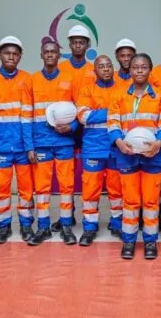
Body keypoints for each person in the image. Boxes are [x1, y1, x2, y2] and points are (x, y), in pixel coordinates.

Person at [108, 53, 161, 260]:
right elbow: (113, 122)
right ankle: (129, 240)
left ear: (150, 70)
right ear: (130, 70)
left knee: (151, 201)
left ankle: (150, 241)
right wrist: (119, 142)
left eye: (144, 67)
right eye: (135, 67)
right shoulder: (118, 94)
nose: (139, 70)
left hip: (153, 155)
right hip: (126, 155)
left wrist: (158, 143)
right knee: (130, 200)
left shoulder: (160, 95)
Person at [0, 36, 35, 244]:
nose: (11, 57)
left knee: (26, 189)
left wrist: (29, 144)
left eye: (15, 54)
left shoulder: (28, 79)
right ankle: (4, 227)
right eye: (7, 53)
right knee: (1, 189)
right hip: (0, 145)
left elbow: (30, 114)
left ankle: (26, 226)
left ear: (20, 56)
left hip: (23, 146)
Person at [24, 41, 79, 246]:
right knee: (42, 188)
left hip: (64, 142)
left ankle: (66, 226)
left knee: (66, 186)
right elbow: (26, 116)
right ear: (41, 55)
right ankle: (43, 227)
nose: (49, 55)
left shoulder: (69, 79)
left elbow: (80, 111)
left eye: (53, 52)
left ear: (59, 55)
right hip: (41, 143)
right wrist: (29, 146)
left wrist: (71, 127)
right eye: (46, 52)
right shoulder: (31, 80)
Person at [76, 55, 123, 246]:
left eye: (108, 66)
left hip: (116, 147)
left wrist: (99, 112)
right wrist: (112, 110)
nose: (105, 69)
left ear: (113, 68)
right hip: (93, 148)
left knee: (117, 189)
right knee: (91, 189)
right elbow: (83, 116)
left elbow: (127, 113)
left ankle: (117, 223)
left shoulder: (122, 89)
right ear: (94, 70)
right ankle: (89, 227)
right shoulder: (86, 90)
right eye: (101, 66)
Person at [54, 24, 94, 231]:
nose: (78, 45)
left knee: (89, 174)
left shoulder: (93, 70)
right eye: (75, 42)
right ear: (69, 44)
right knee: (66, 174)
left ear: (87, 45)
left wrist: (78, 122)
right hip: (65, 129)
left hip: (87, 127)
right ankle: (67, 215)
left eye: (82, 42)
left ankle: (90, 215)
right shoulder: (60, 69)